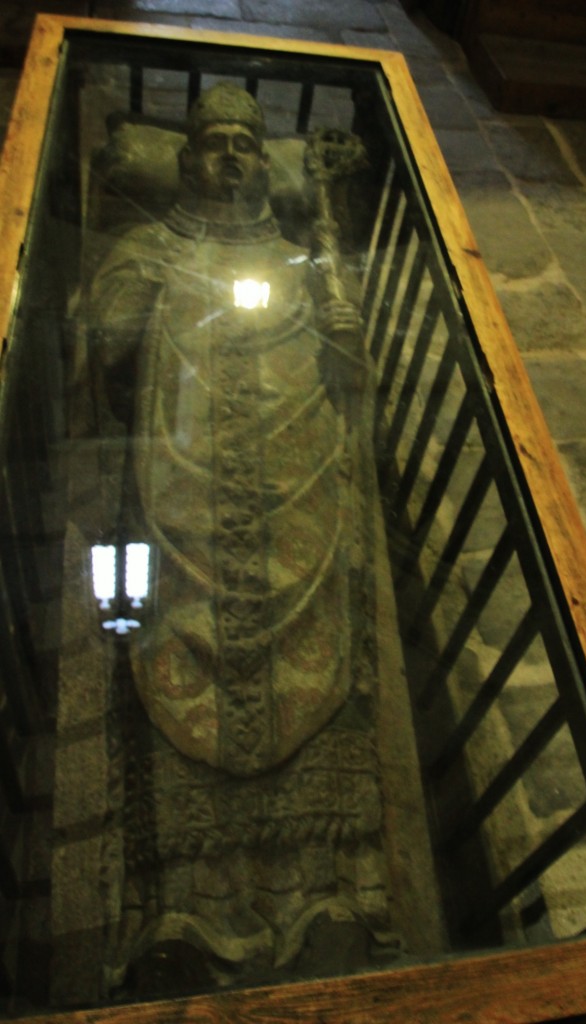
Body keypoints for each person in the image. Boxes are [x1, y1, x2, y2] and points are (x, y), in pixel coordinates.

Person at [88, 82, 396, 996]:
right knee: (176, 680)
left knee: (314, 677)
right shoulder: (146, 249)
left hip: (293, 509)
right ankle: (178, 912)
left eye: (245, 145)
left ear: (267, 164)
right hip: (177, 510)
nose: (229, 156)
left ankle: (325, 899)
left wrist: (347, 348)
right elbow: (103, 343)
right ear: (185, 162)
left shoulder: (307, 264)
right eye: (213, 143)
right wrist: (133, 295)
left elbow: (348, 392)